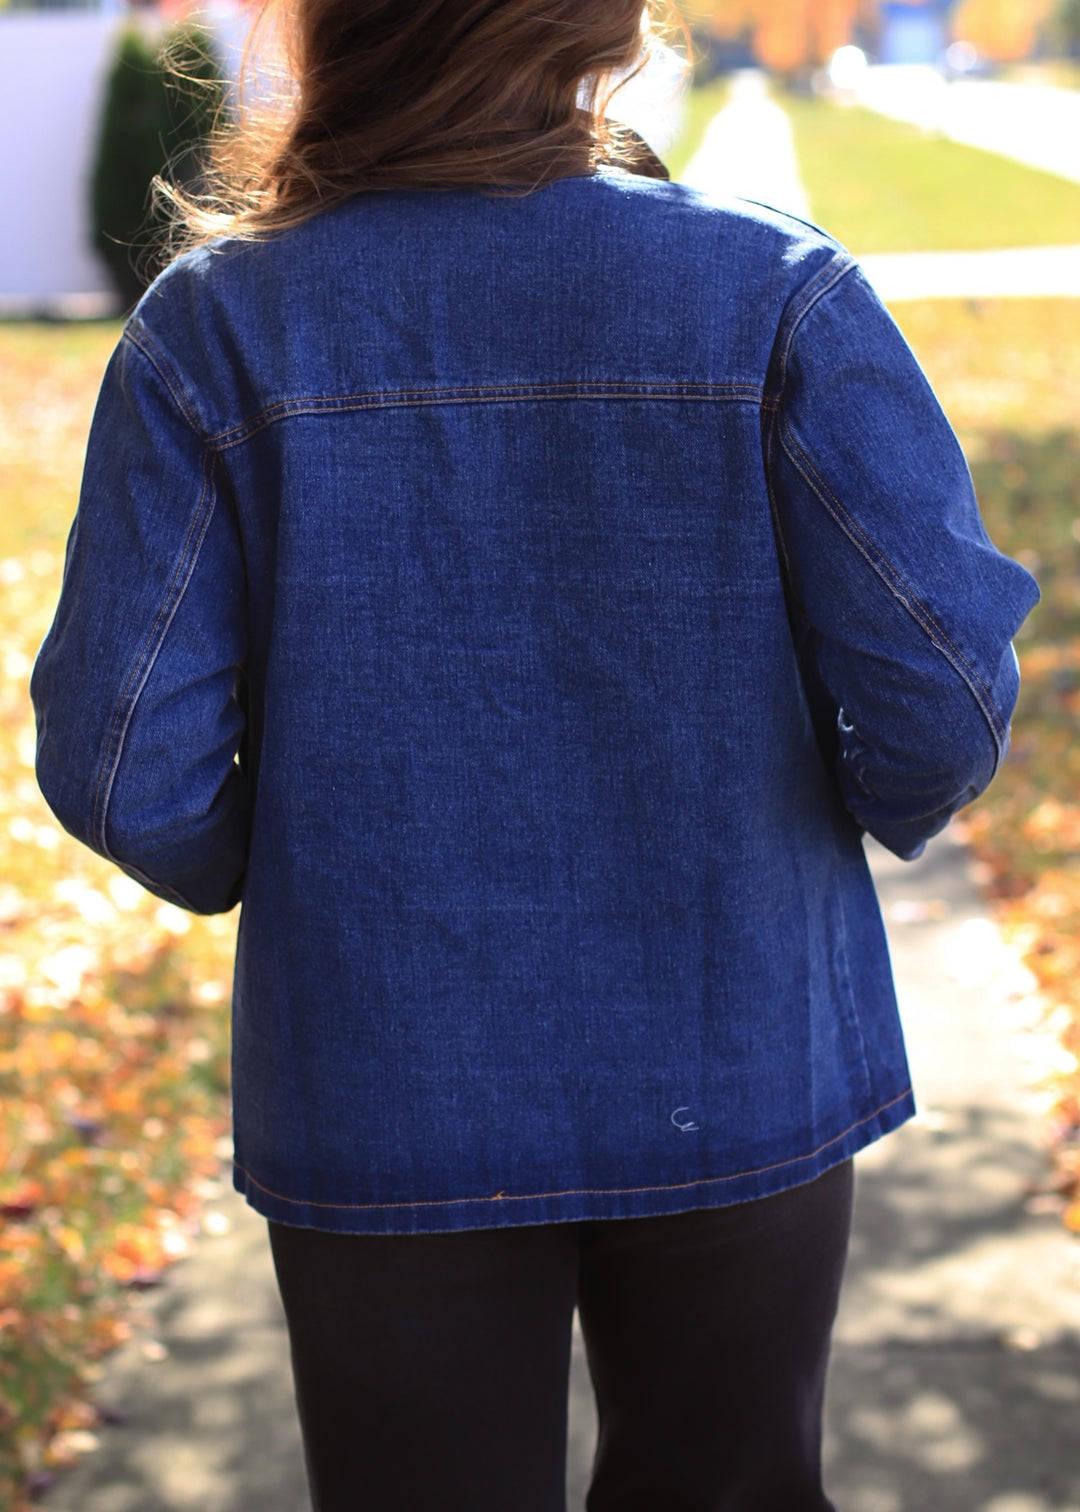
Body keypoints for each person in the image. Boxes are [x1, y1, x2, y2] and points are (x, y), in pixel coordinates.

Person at [32, 2, 1038, 1508]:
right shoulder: (772, 292)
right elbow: (942, 694)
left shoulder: (221, 325)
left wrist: (315, 867)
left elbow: (124, 764)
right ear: (602, 26)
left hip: (380, 1076)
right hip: (738, 1039)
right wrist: (810, 842)